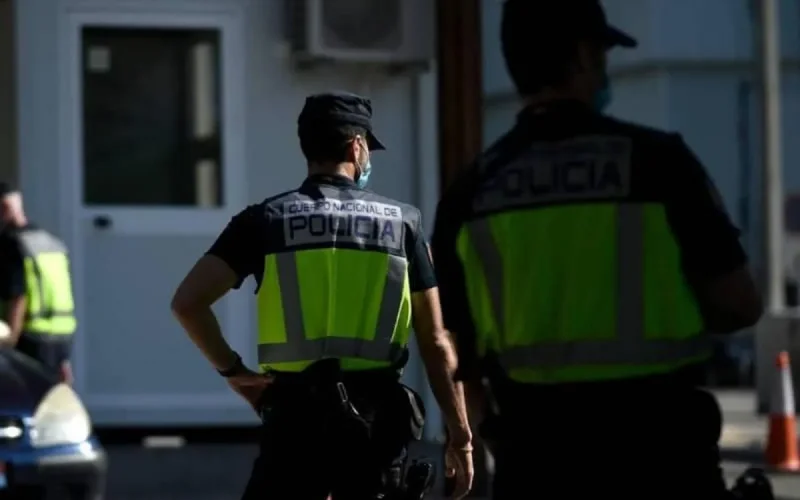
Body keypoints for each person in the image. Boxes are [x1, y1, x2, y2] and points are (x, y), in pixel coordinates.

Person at [431, 1, 764, 498]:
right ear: (584, 56)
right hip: (663, 459)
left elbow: (464, 357)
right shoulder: (659, 163)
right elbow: (740, 304)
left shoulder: (471, 191)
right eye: (603, 54)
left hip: (537, 465)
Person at [172, 91, 473, 499]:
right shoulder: (405, 224)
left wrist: (237, 375)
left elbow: (188, 304)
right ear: (357, 145)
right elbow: (436, 341)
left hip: (294, 419)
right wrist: (460, 437)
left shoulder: (265, 219)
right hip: (377, 426)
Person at [0, 182, 77, 383]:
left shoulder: (11, 244)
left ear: (4, 207)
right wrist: (64, 359)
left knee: (18, 405)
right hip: (61, 339)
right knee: (45, 403)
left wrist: (8, 344)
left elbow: (18, 296)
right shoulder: (51, 242)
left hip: (28, 340)